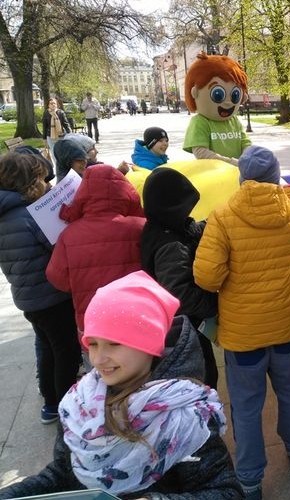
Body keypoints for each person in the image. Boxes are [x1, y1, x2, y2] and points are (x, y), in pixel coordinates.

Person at [0, 271, 244, 499]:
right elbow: (63, 473)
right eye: (93, 344)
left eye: (114, 344)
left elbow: (225, 491)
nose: (98, 359)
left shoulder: (184, 416)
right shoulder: (80, 404)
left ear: (149, 343)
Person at [194, 145, 290, 500]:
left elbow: (206, 276)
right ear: (276, 177)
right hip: (285, 328)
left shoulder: (222, 216)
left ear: (242, 178)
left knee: (247, 408)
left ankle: (249, 480)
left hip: (243, 335)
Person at [0, 152, 80, 425]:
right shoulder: (30, 215)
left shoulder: (6, 212)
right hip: (51, 295)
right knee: (65, 349)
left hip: (27, 297)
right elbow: (57, 247)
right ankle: (65, 402)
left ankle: (49, 402)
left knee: (47, 346)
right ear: (28, 181)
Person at [141, 168, 219, 389]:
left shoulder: (161, 226)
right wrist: (214, 306)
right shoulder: (169, 244)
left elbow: (187, 232)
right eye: (185, 208)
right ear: (172, 208)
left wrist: (209, 224)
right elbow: (179, 293)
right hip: (185, 326)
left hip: (183, 323)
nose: (188, 213)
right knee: (203, 376)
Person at [46, 165, 146, 332]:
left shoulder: (69, 234)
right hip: (135, 316)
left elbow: (58, 279)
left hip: (93, 323)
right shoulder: (139, 228)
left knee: (97, 358)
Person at [183, 52, 252, 166]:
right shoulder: (200, 122)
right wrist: (230, 162)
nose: (228, 102)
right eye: (218, 94)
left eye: (235, 95)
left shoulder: (234, 120)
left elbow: (245, 142)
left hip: (237, 173)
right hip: (213, 176)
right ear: (195, 93)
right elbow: (200, 152)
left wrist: (247, 157)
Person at [41, 98, 71, 170]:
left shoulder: (61, 112)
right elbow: (44, 126)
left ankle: (63, 166)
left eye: (54, 103)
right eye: (51, 103)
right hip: (50, 136)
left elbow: (66, 124)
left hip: (60, 136)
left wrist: (70, 134)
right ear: (48, 105)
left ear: (57, 104)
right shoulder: (46, 113)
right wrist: (44, 138)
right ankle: (58, 168)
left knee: (61, 153)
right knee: (54, 152)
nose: (53, 105)